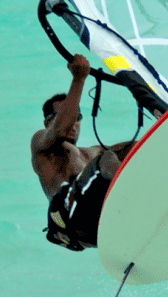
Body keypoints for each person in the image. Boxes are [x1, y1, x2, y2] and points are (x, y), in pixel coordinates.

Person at [31, 54, 147, 252]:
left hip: (96, 231)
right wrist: (79, 78)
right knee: (108, 158)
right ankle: (139, 206)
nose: (73, 122)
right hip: (71, 217)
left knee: (134, 154)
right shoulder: (42, 145)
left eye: (78, 117)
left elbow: (140, 147)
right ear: (47, 122)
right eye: (63, 114)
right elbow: (60, 128)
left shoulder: (91, 152)